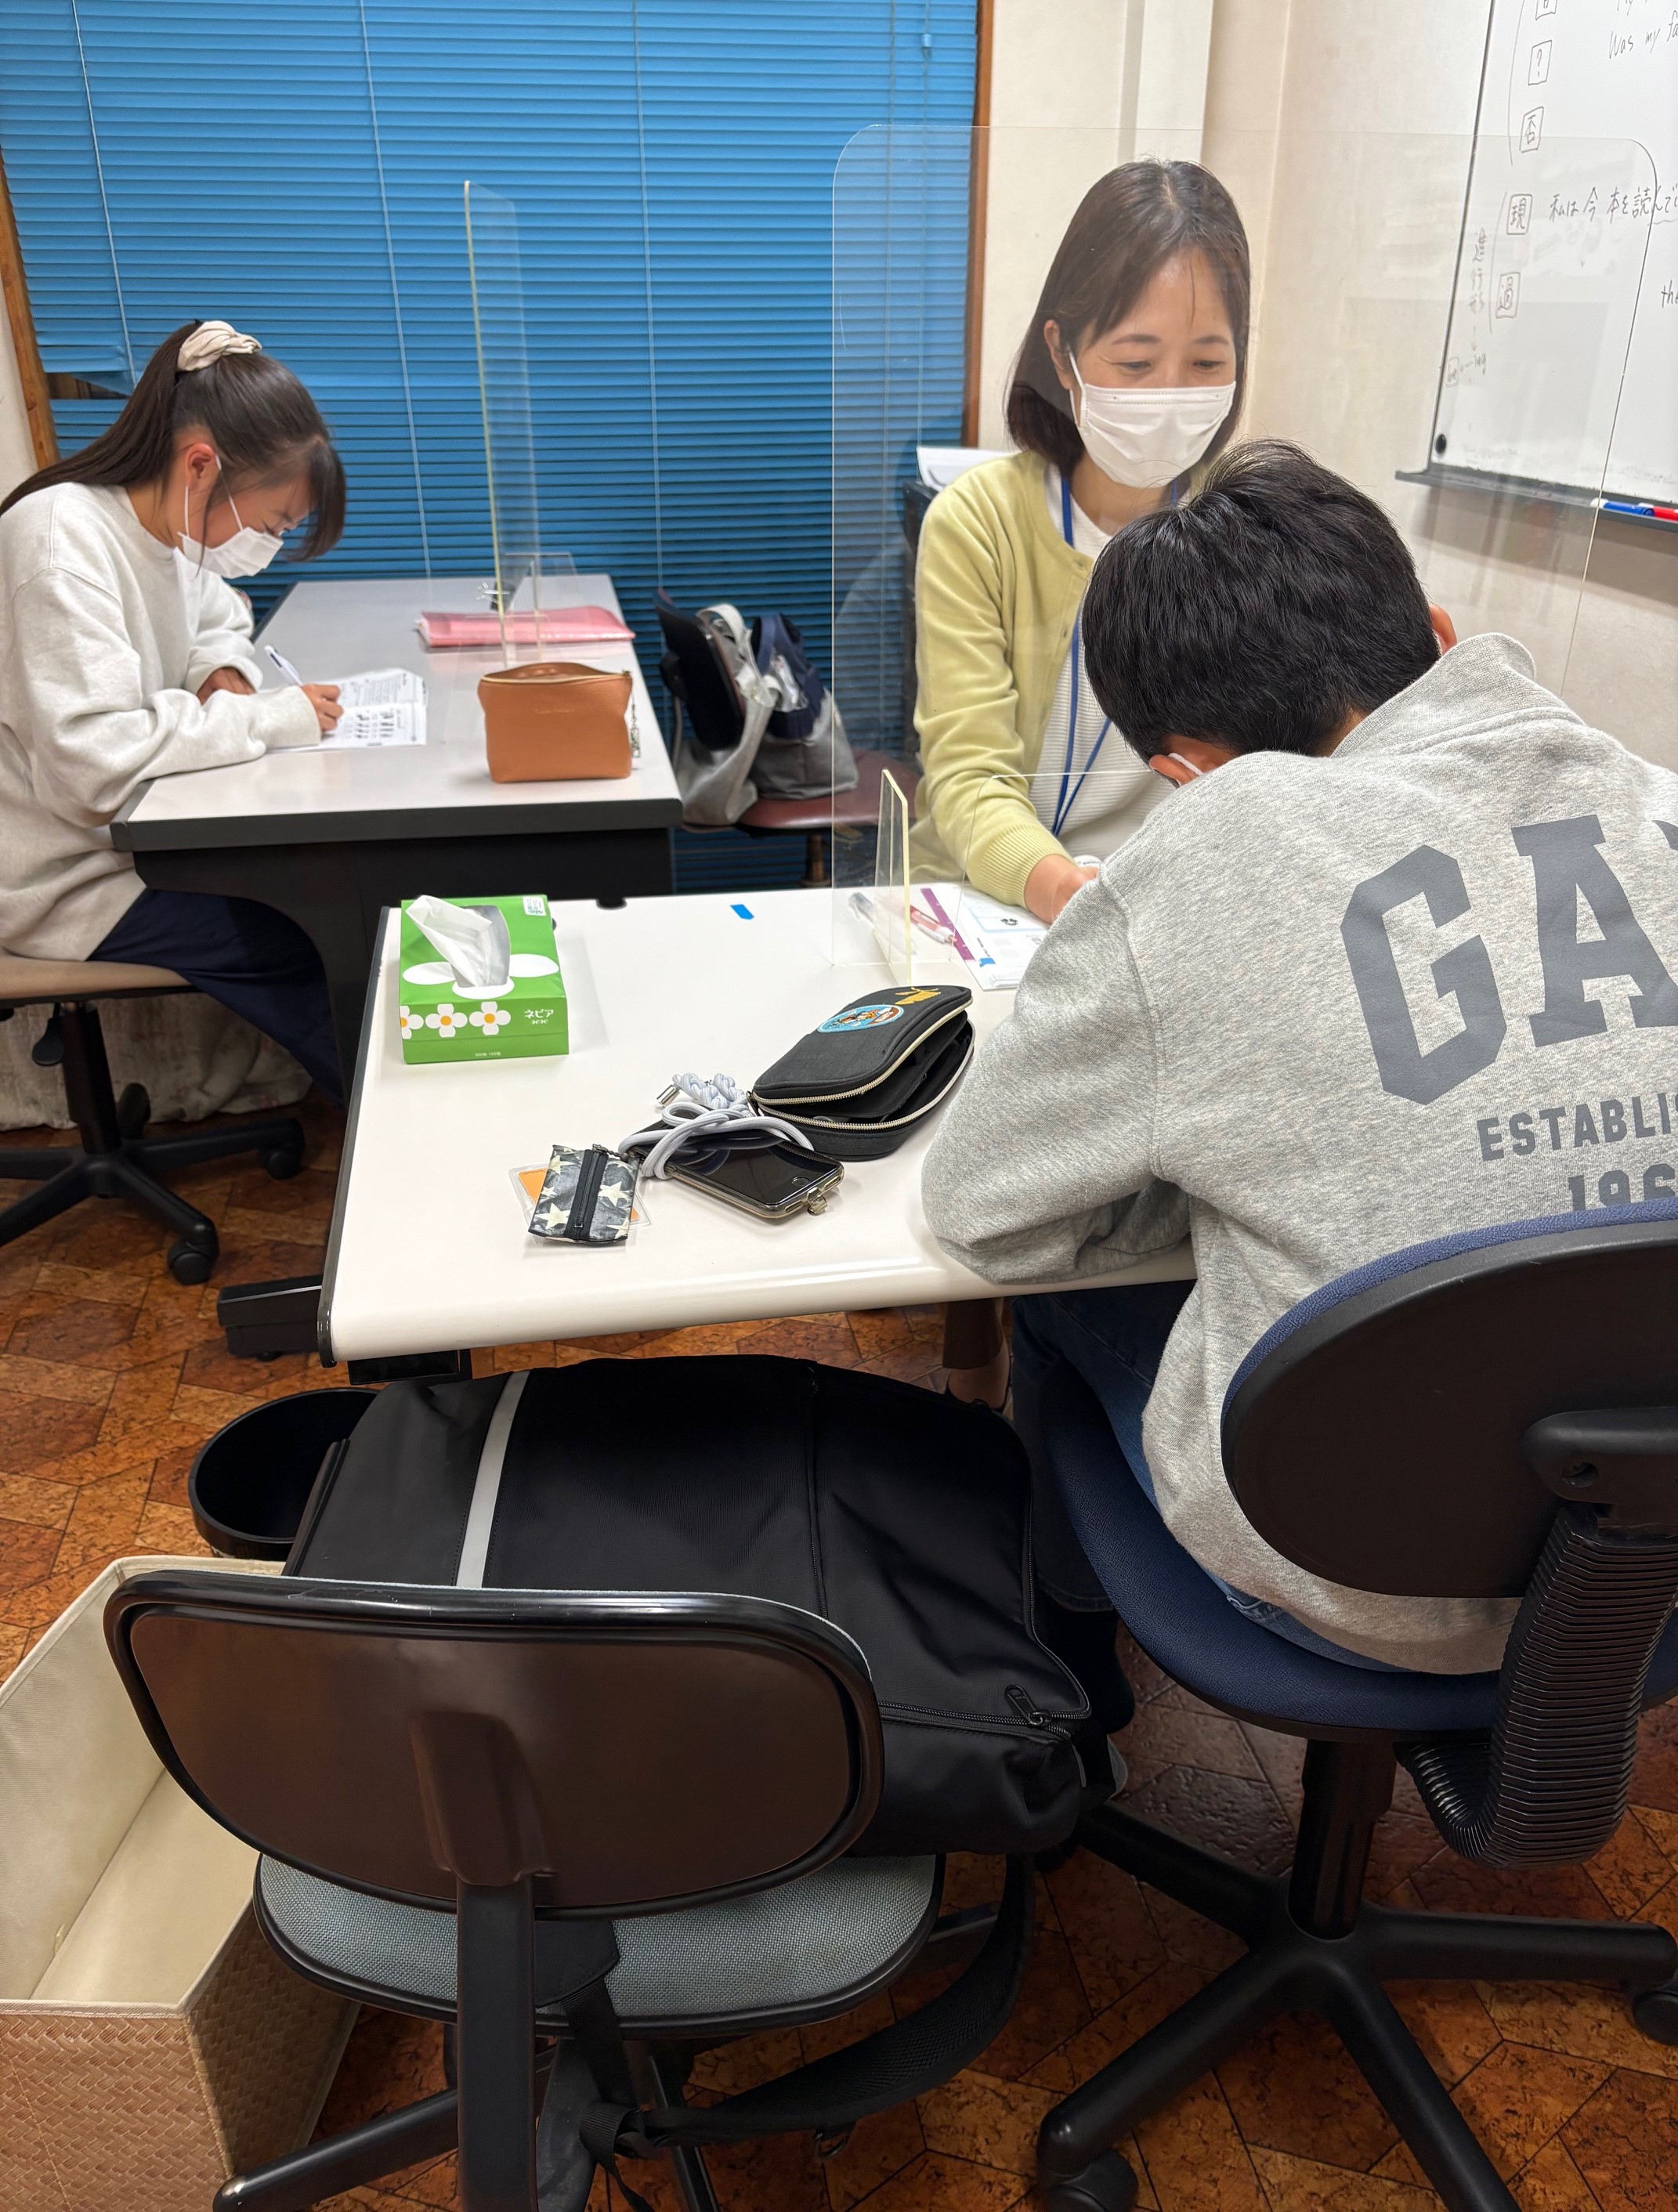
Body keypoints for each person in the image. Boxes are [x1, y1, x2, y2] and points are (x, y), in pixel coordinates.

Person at [922, 439, 1678, 1686]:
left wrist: (1224, 1186)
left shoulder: (1210, 849)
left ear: (1184, 769)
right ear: (1437, 636)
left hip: (1355, 1578)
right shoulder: (1657, 799)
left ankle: (1067, 1688)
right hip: (1657, 1582)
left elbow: (985, 1211)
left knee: (1050, 1308)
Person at [910, 160, 1250, 1408]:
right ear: (1062, 351)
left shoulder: (1246, 529)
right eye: (1136, 358)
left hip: (1181, 910)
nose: (1169, 395)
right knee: (998, 1182)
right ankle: (982, 1390)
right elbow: (966, 775)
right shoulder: (981, 523)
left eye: (1204, 361)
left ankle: (1110, 1387)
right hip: (1000, 904)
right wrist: (1069, 890)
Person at [0, 318, 348, 1104]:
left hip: (131, 841)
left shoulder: (164, 529)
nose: (265, 543)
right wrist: (269, 717)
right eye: (270, 523)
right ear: (200, 464)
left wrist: (218, 670)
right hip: (61, 878)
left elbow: (219, 614)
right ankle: (391, 1130)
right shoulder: (60, 543)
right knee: (298, 939)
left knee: (323, 901)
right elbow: (93, 764)